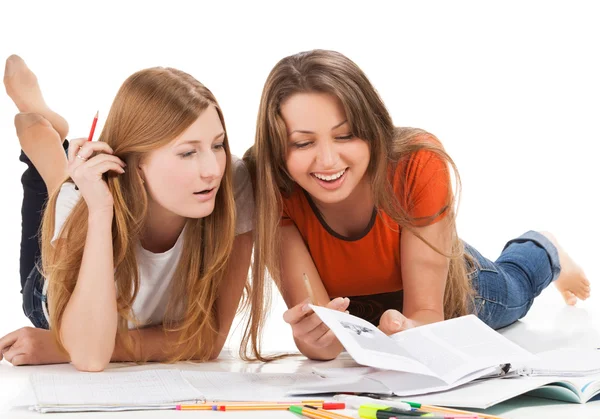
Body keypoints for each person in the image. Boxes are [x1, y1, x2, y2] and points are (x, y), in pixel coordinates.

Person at [244, 49, 591, 361]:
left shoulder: (417, 162)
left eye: (345, 135)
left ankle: (545, 249)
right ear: (278, 149)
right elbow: (323, 334)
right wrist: (314, 339)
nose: (328, 160)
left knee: (515, 289)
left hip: (454, 289)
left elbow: (427, 314)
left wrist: (411, 331)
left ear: (371, 127)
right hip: (360, 314)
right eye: (303, 143)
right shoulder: (269, 181)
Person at [0, 55, 264, 371]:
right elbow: (89, 357)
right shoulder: (85, 200)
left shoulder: (232, 182)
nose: (212, 170)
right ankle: (46, 150)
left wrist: (62, 346)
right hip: (53, 297)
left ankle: (56, 145)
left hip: (90, 326)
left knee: (69, 191)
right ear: (138, 164)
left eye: (218, 145)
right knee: (65, 190)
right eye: (188, 152)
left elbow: (209, 340)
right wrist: (99, 210)